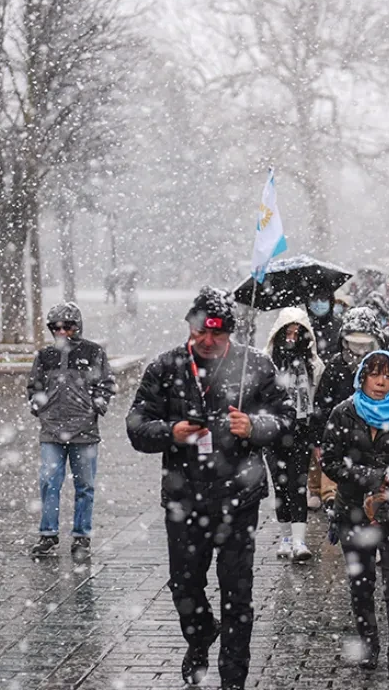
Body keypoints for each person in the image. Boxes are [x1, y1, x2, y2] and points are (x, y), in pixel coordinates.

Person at [125, 286, 293, 690]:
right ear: (189, 326)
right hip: (184, 497)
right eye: (200, 331)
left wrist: (255, 426)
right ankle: (200, 635)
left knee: (238, 592)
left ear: (230, 332)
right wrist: (171, 432)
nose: (207, 340)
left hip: (240, 497)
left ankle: (233, 677)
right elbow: (136, 427)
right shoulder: (166, 367)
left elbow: (286, 419)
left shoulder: (256, 365)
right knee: (185, 584)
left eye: (217, 333)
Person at [321, 351, 389, 680]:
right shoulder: (344, 412)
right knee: (361, 584)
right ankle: (370, 642)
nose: (381, 382)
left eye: (388, 375)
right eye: (373, 374)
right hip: (353, 511)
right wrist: (371, 478)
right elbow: (331, 461)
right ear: (362, 377)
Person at [27, 302, 116, 561]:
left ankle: (81, 537)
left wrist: (97, 403)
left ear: (77, 326)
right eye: (56, 327)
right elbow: (34, 385)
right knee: (49, 481)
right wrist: (38, 406)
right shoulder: (45, 356)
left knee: (85, 485)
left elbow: (106, 383)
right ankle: (48, 533)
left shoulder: (93, 351)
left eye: (68, 326)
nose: (62, 331)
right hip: (52, 430)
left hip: (84, 430)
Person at [263, 307, 325, 560]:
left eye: (297, 332)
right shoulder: (266, 363)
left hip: (301, 430)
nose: (291, 337)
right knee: (280, 484)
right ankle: (286, 536)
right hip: (274, 431)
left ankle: (299, 540)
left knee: (297, 484)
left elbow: (318, 399)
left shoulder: (313, 365)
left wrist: (316, 434)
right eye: (287, 332)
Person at [310, 307, 384, 512]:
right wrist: (318, 440)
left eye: (364, 344)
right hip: (342, 436)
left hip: (377, 435)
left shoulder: (385, 366)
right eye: (354, 343)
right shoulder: (335, 366)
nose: (359, 350)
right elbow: (321, 405)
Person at [306, 293, 344, 358]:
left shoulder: (341, 325)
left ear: (330, 302)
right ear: (308, 303)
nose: (319, 303)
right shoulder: (303, 327)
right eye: (314, 299)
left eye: (323, 299)